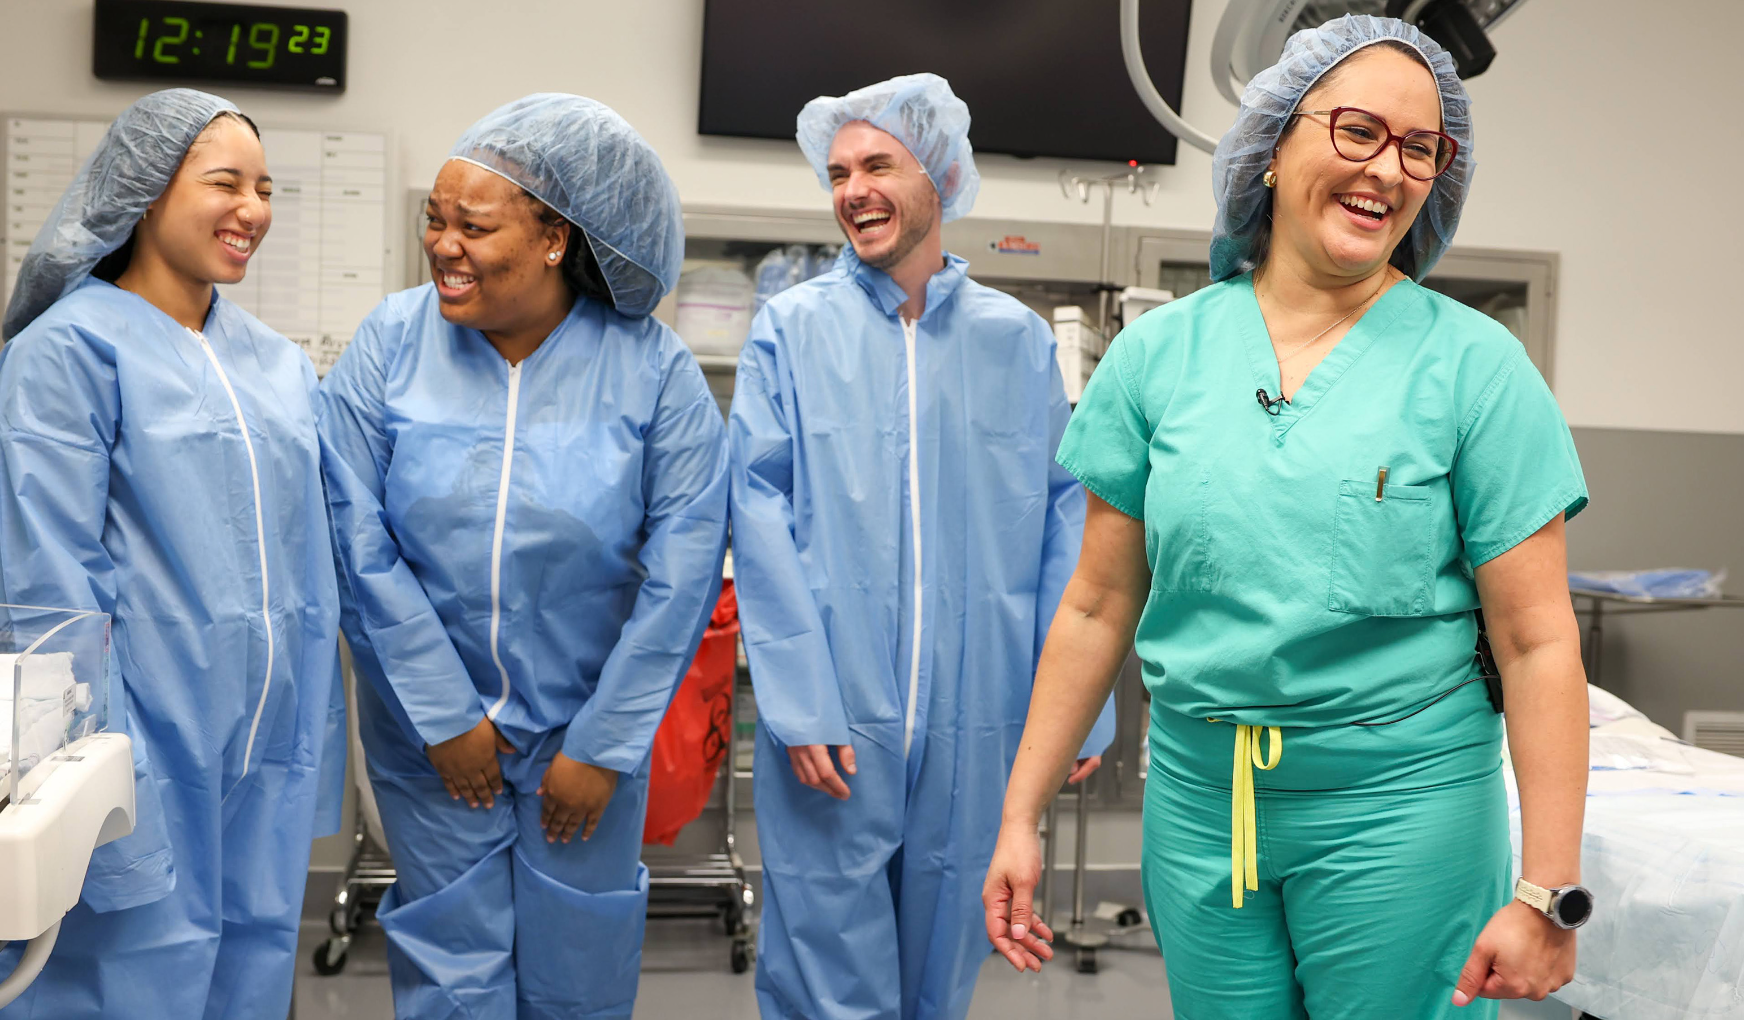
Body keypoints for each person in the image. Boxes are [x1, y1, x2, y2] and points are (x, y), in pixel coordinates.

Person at [984, 16, 1591, 1018]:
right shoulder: (1157, 357)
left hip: (1404, 811)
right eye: (1358, 130)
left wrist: (1548, 895)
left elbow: (1536, 642)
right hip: (1198, 806)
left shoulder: (1476, 369)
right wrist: (1020, 812)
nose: (1388, 169)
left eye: (1419, 148)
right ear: (1270, 150)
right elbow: (1096, 604)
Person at [316, 93, 730, 1020]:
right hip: (430, 745)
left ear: (554, 239)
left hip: (583, 743)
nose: (442, 245)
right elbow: (352, 534)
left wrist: (606, 742)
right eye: (434, 218)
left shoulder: (653, 371)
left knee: (577, 970)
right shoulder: (389, 345)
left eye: (474, 225)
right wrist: (441, 713)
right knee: (451, 974)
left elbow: (685, 568)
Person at [729, 73, 1116, 1020]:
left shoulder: (1015, 342)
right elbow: (757, 513)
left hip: (977, 719)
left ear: (938, 175)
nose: (853, 189)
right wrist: (798, 699)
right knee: (826, 969)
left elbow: (1066, 524)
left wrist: (1078, 712)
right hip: (833, 721)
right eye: (837, 172)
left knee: (942, 968)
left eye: (877, 165)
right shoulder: (791, 330)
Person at [0, 89, 344, 1019]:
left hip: (267, 749)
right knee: (128, 977)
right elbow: (49, 591)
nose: (252, 210)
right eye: (225, 181)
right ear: (142, 191)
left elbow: (309, 569)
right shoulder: (67, 353)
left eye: (265, 188)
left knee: (250, 966)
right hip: (137, 745)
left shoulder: (279, 364)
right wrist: (102, 769)